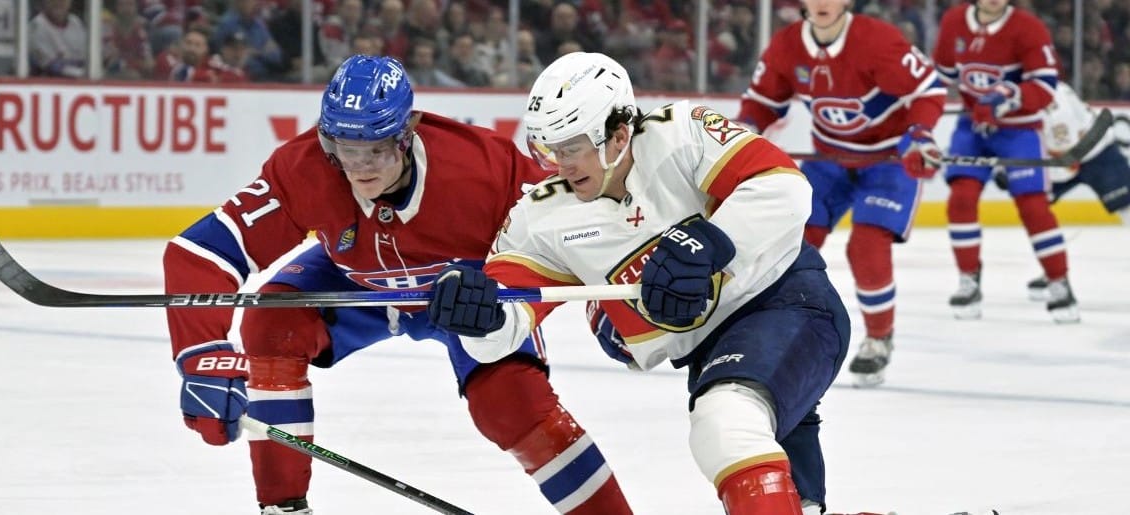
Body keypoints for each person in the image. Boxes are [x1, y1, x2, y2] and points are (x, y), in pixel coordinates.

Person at [163, 55, 632, 515]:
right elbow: (198, 254)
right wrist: (201, 354)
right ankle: (282, 508)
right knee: (274, 319)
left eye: (376, 150)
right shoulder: (304, 167)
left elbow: (571, 236)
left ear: (405, 136)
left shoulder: (483, 167)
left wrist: (610, 314)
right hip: (359, 280)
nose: (360, 167)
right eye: (346, 150)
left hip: (463, 294)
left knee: (508, 402)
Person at [427, 51, 850, 515]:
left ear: (619, 134)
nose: (558, 164)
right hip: (710, 354)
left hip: (788, 303)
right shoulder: (541, 217)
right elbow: (505, 323)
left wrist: (712, 242)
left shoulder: (680, 132)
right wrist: (479, 318)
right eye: (548, 148)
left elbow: (784, 187)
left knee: (724, 423)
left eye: (570, 147)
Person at [735, 0, 945, 386]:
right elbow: (764, 101)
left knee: (866, 246)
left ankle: (880, 337)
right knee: (794, 241)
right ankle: (780, 326)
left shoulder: (877, 40)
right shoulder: (787, 46)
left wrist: (920, 135)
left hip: (888, 159)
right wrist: (746, 128)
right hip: (829, 159)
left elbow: (928, 91)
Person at [932, 0, 1079, 322]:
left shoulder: (1028, 28)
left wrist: (1007, 97)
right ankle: (968, 278)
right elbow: (938, 77)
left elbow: (1044, 84)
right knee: (961, 198)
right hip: (972, 125)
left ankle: (1058, 280)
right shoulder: (955, 21)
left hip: (1019, 129)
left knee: (1033, 205)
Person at [1004, 82, 1129, 299]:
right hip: (1064, 156)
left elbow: (1069, 163)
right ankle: (1054, 270)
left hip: (1097, 151)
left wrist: (1029, 173)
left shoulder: (1055, 109)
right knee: (1035, 207)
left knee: (1127, 205)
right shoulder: (1024, 91)